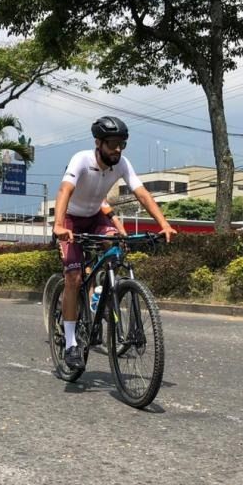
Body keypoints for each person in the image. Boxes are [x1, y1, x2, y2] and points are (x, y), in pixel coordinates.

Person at [52, 116, 177, 370]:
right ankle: (71, 342)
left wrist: (163, 223)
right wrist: (59, 226)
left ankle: (109, 291)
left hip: (95, 216)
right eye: (112, 144)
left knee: (116, 243)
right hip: (71, 219)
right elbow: (64, 190)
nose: (117, 149)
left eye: (122, 144)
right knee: (74, 278)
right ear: (98, 143)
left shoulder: (122, 164)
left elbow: (142, 193)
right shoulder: (81, 160)